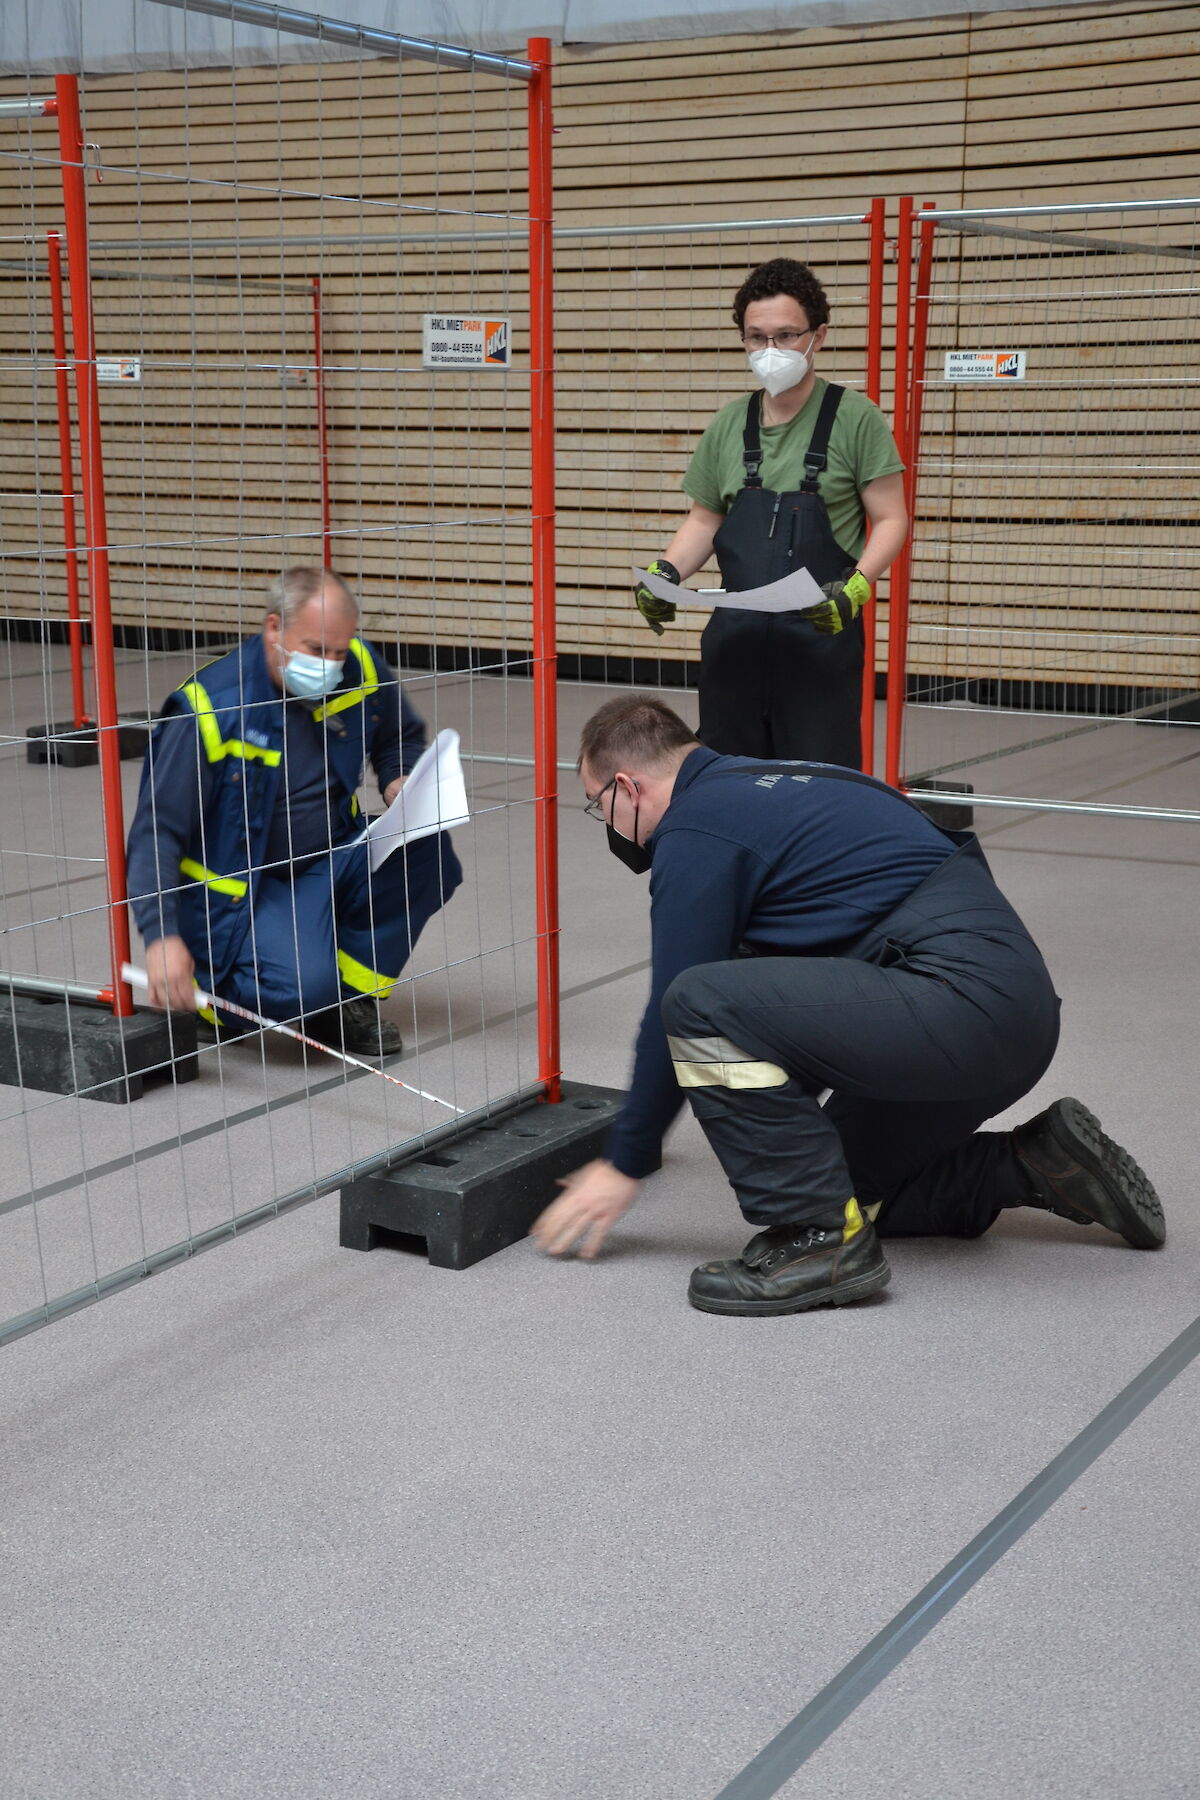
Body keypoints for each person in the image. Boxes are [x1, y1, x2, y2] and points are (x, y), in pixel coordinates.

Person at [532, 695, 1164, 1315]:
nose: (608, 824)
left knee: (697, 1003)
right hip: (1011, 1017)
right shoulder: (798, 784)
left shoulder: (696, 827)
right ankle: (1034, 1163)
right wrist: (775, 1120)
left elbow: (678, 1002)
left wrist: (626, 1161)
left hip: (953, 1007)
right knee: (843, 1187)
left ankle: (818, 1246)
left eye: (598, 805)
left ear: (627, 785)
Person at [126, 567, 462, 1056]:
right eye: (316, 650)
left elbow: (397, 736)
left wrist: (397, 777)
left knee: (429, 852)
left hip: (329, 853)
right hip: (246, 887)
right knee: (301, 989)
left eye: (339, 651)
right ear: (273, 629)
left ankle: (348, 999)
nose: (330, 665)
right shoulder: (210, 709)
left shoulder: (360, 666)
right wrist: (161, 937)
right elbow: (156, 831)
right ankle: (216, 998)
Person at [633, 257, 907, 768]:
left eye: (785, 335)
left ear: (817, 337)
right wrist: (666, 571)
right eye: (756, 337)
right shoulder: (730, 423)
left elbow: (892, 518)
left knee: (817, 787)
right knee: (729, 784)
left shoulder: (856, 419)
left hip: (819, 643)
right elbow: (705, 519)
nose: (769, 350)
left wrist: (858, 584)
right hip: (734, 649)